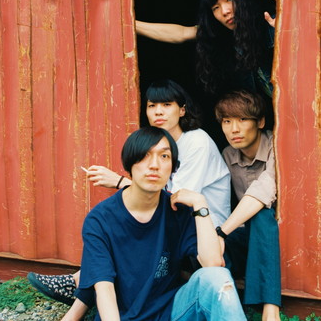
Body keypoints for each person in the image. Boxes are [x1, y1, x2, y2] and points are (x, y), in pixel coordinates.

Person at [28, 80, 231, 305]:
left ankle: (78, 284)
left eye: (166, 105)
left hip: (207, 228)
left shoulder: (197, 141)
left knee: (136, 234)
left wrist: (120, 182)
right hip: (179, 224)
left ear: (182, 110)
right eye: (152, 106)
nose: (158, 112)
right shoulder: (161, 145)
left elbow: (174, 199)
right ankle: (81, 288)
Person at [61, 127, 246, 321]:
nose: (155, 165)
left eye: (164, 156)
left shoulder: (178, 212)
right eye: (145, 156)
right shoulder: (100, 220)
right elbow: (104, 288)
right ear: (130, 163)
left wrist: (200, 203)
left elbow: (213, 264)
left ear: (173, 167)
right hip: (124, 317)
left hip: (172, 312)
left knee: (217, 276)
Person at [135, 0, 276, 99]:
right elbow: (181, 33)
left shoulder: (270, 22)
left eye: (229, 0)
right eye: (215, 7)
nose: (225, 11)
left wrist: (284, 28)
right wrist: (129, 24)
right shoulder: (221, 33)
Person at [214, 90, 281, 321]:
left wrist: (221, 232)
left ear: (260, 122)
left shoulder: (276, 145)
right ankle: (227, 300)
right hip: (248, 235)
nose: (234, 129)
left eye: (242, 119)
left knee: (261, 214)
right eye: (227, 121)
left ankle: (270, 307)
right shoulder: (227, 155)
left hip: (278, 234)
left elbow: (263, 191)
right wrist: (216, 235)